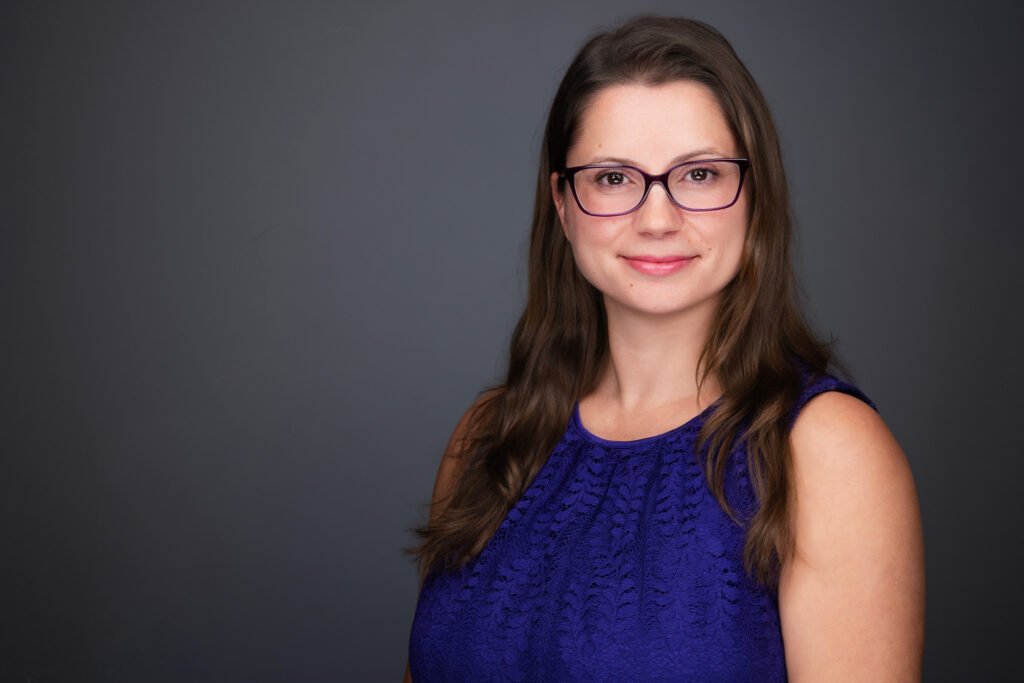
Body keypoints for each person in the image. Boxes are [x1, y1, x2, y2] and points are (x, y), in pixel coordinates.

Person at [403, 15, 924, 683]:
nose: (657, 218)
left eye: (700, 174)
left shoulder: (826, 452)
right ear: (563, 203)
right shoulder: (487, 436)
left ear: (752, 196)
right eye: (614, 178)